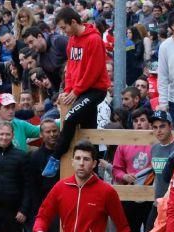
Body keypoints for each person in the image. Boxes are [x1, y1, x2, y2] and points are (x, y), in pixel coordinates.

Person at [42, 7, 112, 178]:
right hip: (80, 90)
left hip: (95, 90)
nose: (63, 32)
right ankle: (93, 173)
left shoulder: (94, 39)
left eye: (64, 28)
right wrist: (67, 90)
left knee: (71, 118)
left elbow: (93, 70)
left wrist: (76, 90)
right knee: (89, 131)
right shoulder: (72, 41)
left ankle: (56, 157)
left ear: (73, 22)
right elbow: (71, 69)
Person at [27, 119, 62, 232]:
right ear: (41, 135)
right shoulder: (35, 157)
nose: (52, 134)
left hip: (66, 207)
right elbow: (32, 187)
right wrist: (36, 212)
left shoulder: (65, 153)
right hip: (46, 208)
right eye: (48, 132)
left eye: (55, 131)